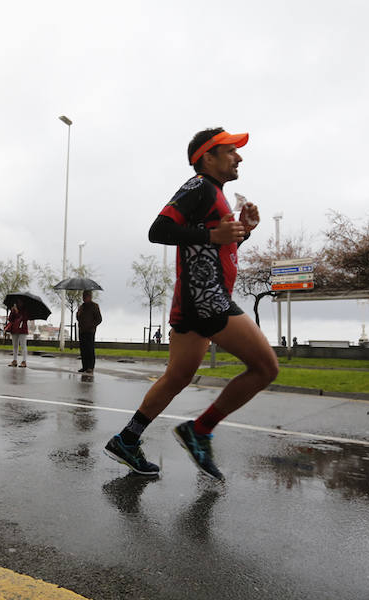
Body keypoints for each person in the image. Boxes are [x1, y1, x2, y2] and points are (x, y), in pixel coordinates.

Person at [104, 127, 278, 480]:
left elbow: (213, 251)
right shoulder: (199, 186)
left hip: (193, 301)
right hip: (207, 300)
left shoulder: (216, 196)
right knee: (266, 369)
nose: (239, 157)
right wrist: (213, 234)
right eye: (231, 151)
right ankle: (200, 430)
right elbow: (159, 230)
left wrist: (242, 232)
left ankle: (127, 439)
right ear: (207, 158)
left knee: (177, 377)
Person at [76, 290, 102, 373]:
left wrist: (92, 325)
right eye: (83, 296)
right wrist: (78, 313)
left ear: (90, 297)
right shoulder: (82, 307)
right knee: (83, 350)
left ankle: (90, 367)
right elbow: (78, 318)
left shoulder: (95, 306)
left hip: (90, 331)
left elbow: (99, 319)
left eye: (85, 296)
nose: (84, 298)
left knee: (90, 349)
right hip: (82, 331)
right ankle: (84, 366)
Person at [7, 299, 28, 367]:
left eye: (19, 302)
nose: (18, 303)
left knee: (23, 346)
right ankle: (14, 360)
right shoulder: (14, 309)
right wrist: (12, 311)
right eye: (17, 302)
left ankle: (24, 361)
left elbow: (24, 318)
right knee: (15, 346)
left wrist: (17, 312)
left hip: (22, 329)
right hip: (14, 329)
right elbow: (10, 319)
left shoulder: (25, 309)